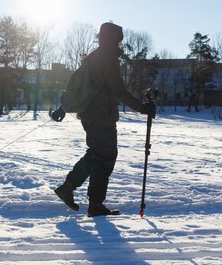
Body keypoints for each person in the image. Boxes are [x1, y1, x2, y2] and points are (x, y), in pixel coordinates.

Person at [50, 22, 156, 217]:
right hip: (100, 116)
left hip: (90, 115)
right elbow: (119, 90)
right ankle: (93, 203)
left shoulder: (93, 57)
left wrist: (64, 107)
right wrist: (142, 107)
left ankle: (71, 189)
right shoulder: (107, 59)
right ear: (112, 40)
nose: (121, 44)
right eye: (119, 40)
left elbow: (80, 86)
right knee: (105, 158)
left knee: (97, 155)